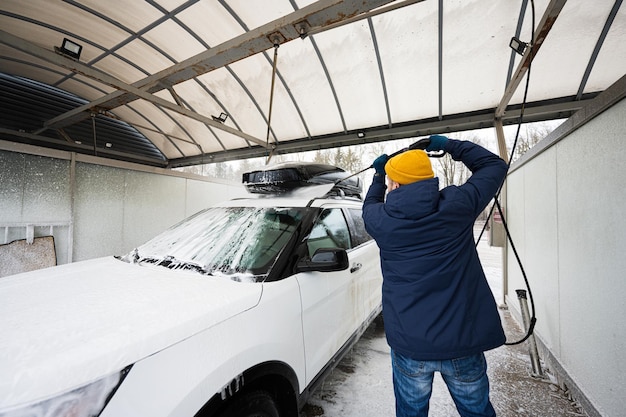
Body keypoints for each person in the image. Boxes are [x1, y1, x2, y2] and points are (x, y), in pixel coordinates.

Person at [362, 135, 508, 417]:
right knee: (477, 411)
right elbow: (493, 165)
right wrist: (449, 145)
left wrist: (379, 175)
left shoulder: (380, 221)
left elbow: (370, 203)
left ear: (395, 184)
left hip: (410, 346)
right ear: (429, 178)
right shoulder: (458, 206)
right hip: (462, 342)